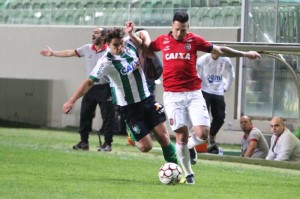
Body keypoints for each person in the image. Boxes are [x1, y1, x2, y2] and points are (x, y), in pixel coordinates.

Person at [129, 11, 261, 184]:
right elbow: (146, 48)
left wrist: (245, 54)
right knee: (181, 136)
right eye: (177, 29)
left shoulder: (194, 40)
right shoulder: (163, 40)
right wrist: (131, 34)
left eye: (183, 30)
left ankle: (189, 147)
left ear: (188, 27)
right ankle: (188, 174)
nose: (179, 33)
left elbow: (220, 50)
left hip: (193, 93)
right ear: (172, 26)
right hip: (172, 96)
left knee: (203, 133)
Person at [63, 26, 178, 165]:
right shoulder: (106, 62)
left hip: (147, 99)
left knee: (163, 137)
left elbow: (144, 33)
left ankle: (176, 169)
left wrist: (144, 44)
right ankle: (133, 134)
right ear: (108, 45)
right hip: (130, 108)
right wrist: (71, 100)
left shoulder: (129, 42)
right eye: (115, 45)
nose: (120, 47)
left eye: (121, 43)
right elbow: (89, 82)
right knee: (146, 147)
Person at [40, 27, 116, 151]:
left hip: (106, 87)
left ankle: (107, 143)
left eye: (96, 33)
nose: (93, 35)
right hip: (90, 87)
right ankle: (84, 142)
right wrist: (53, 53)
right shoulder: (87, 48)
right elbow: (70, 52)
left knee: (108, 116)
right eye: (93, 32)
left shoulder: (109, 51)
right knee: (85, 114)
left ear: (103, 36)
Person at [196, 53, 235, 154]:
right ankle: (199, 140)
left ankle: (211, 136)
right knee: (203, 116)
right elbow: (194, 70)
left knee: (220, 117)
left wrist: (226, 87)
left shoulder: (225, 59)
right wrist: (197, 84)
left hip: (218, 92)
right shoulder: (204, 59)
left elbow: (231, 73)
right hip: (205, 90)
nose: (217, 53)